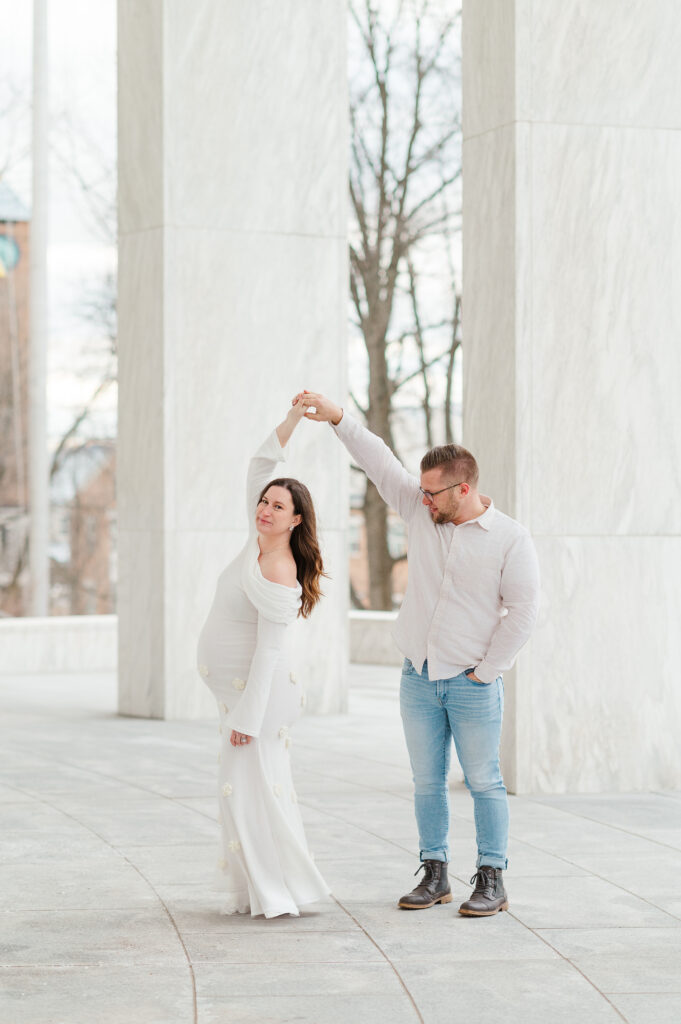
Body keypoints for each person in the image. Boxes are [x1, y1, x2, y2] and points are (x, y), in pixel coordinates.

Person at [301, 391, 540, 917]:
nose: (423, 499)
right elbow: (377, 457)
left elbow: (522, 613)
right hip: (418, 676)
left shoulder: (510, 539)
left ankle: (492, 878)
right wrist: (338, 416)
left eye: (434, 493)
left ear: (464, 488)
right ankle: (435, 874)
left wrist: (487, 673)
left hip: (472, 683)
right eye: (423, 491)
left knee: (484, 781)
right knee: (426, 781)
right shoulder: (418, 505)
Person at [196, 396, 330, 918]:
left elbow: (271, 653)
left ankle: (278, 891)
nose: (265, 509)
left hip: (259, 700)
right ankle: (266, 888)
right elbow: (260, 464)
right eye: (264, 501)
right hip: (240, 698)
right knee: (247, 791)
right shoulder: (254, 544)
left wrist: (247, 719)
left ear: (296, 520)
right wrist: (294, 420)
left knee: (251, 793)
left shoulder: (278, 570)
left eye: (278, 506)